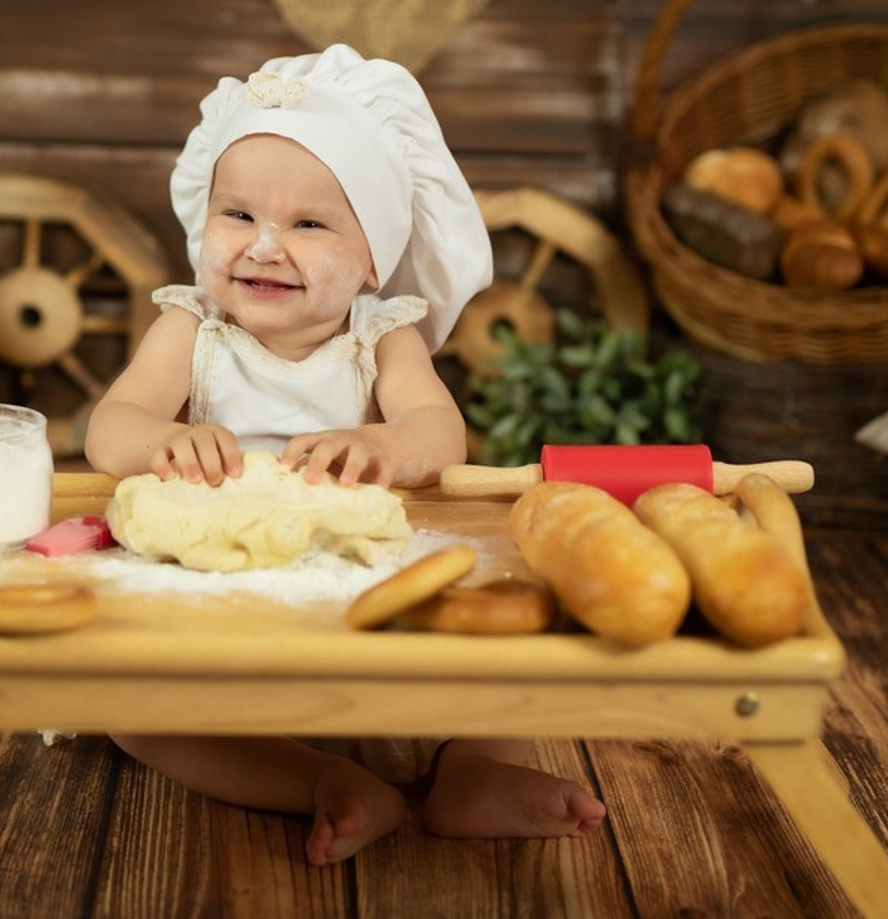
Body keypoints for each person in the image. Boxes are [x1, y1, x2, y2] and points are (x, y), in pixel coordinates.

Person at [84, 42, 606, 866]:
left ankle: (472, 771)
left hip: (364, 588)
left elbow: (441, 434)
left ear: (371, 259)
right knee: (132, 713)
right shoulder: (191, 326)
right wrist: (162, 438)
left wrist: (382, 443)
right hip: (220, 594)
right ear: (203, 220)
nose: (262, 245)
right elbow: (110, 428)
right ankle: (319, 779)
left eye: (309, 224)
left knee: (530, 653)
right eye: (239, 214)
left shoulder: (381, 336)